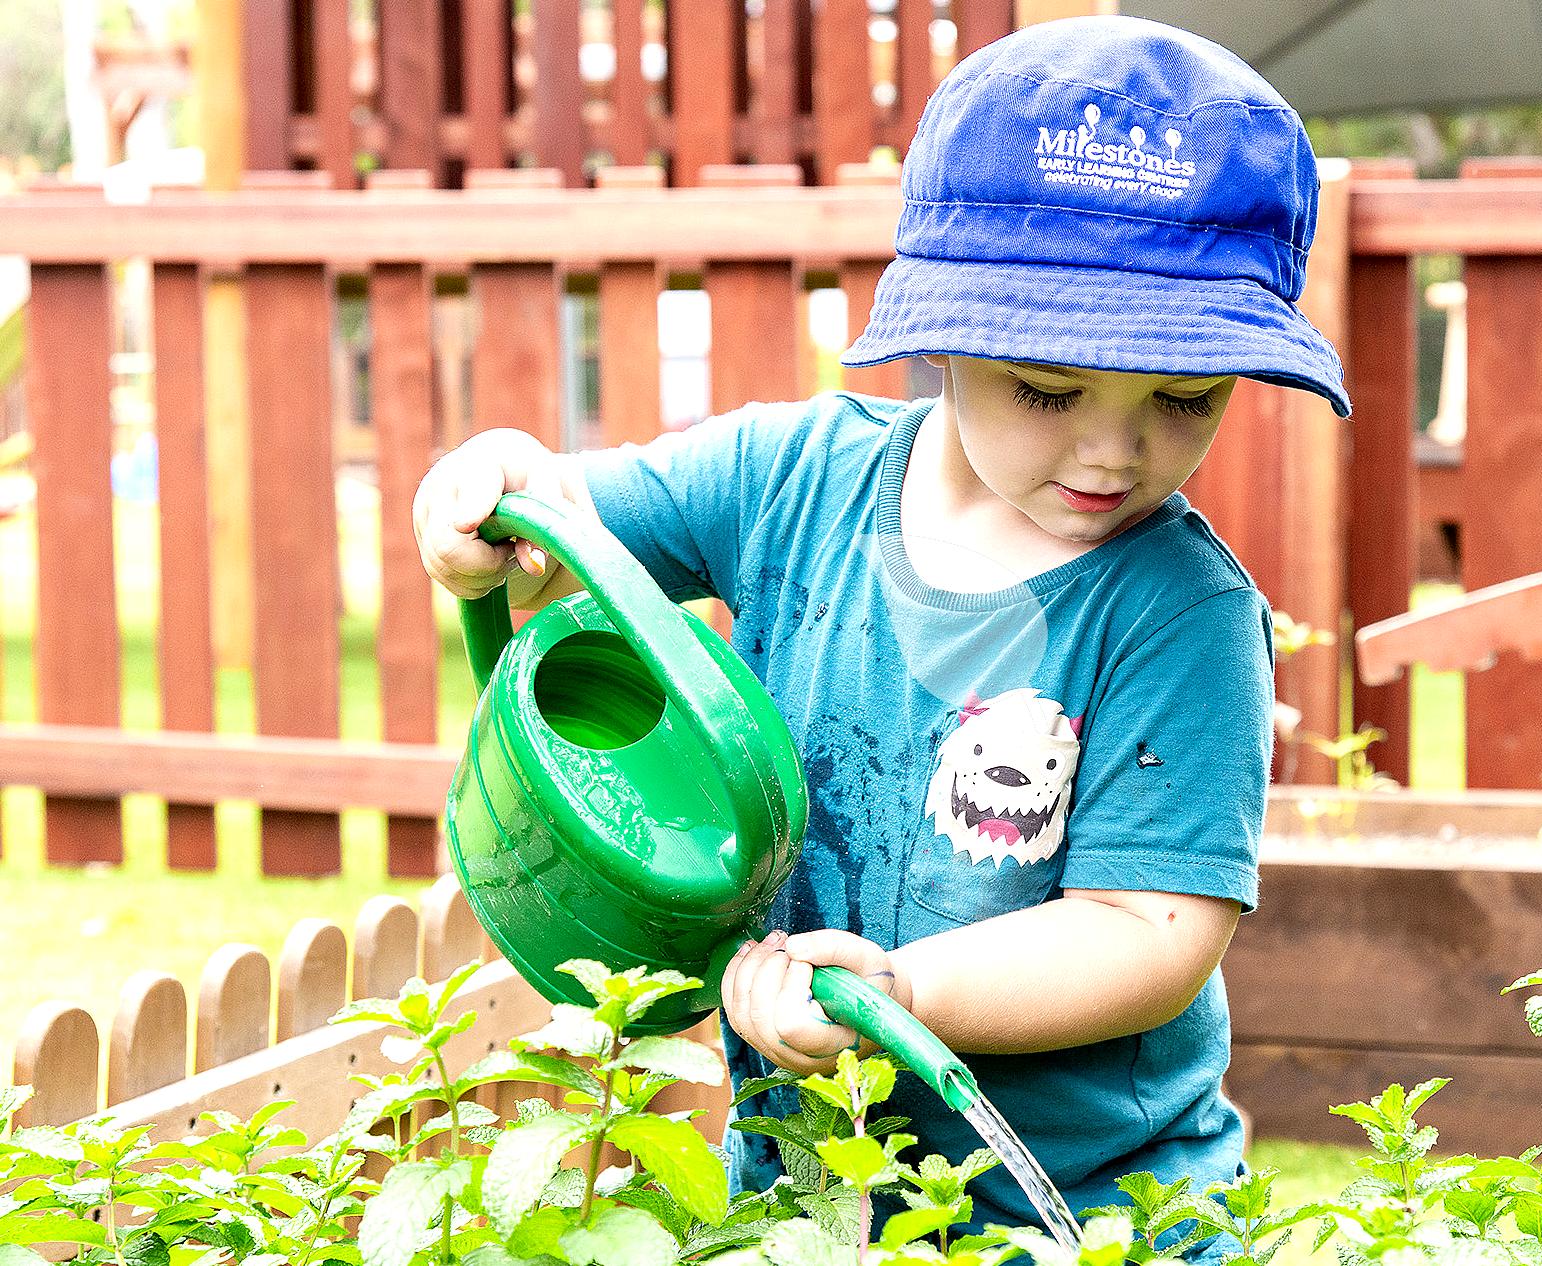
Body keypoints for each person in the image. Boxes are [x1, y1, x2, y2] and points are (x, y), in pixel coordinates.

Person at [413, 13, 1348, 1246]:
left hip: (1093, 1210)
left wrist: (907, 993)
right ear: (943, 336)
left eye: (1182, 396)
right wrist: (477, 495)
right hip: (811, 1189)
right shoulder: (788, 476)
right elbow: (556, 522)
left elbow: (1154, 934)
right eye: (1050, 388)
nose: (1115, 448)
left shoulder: (1180, 613)